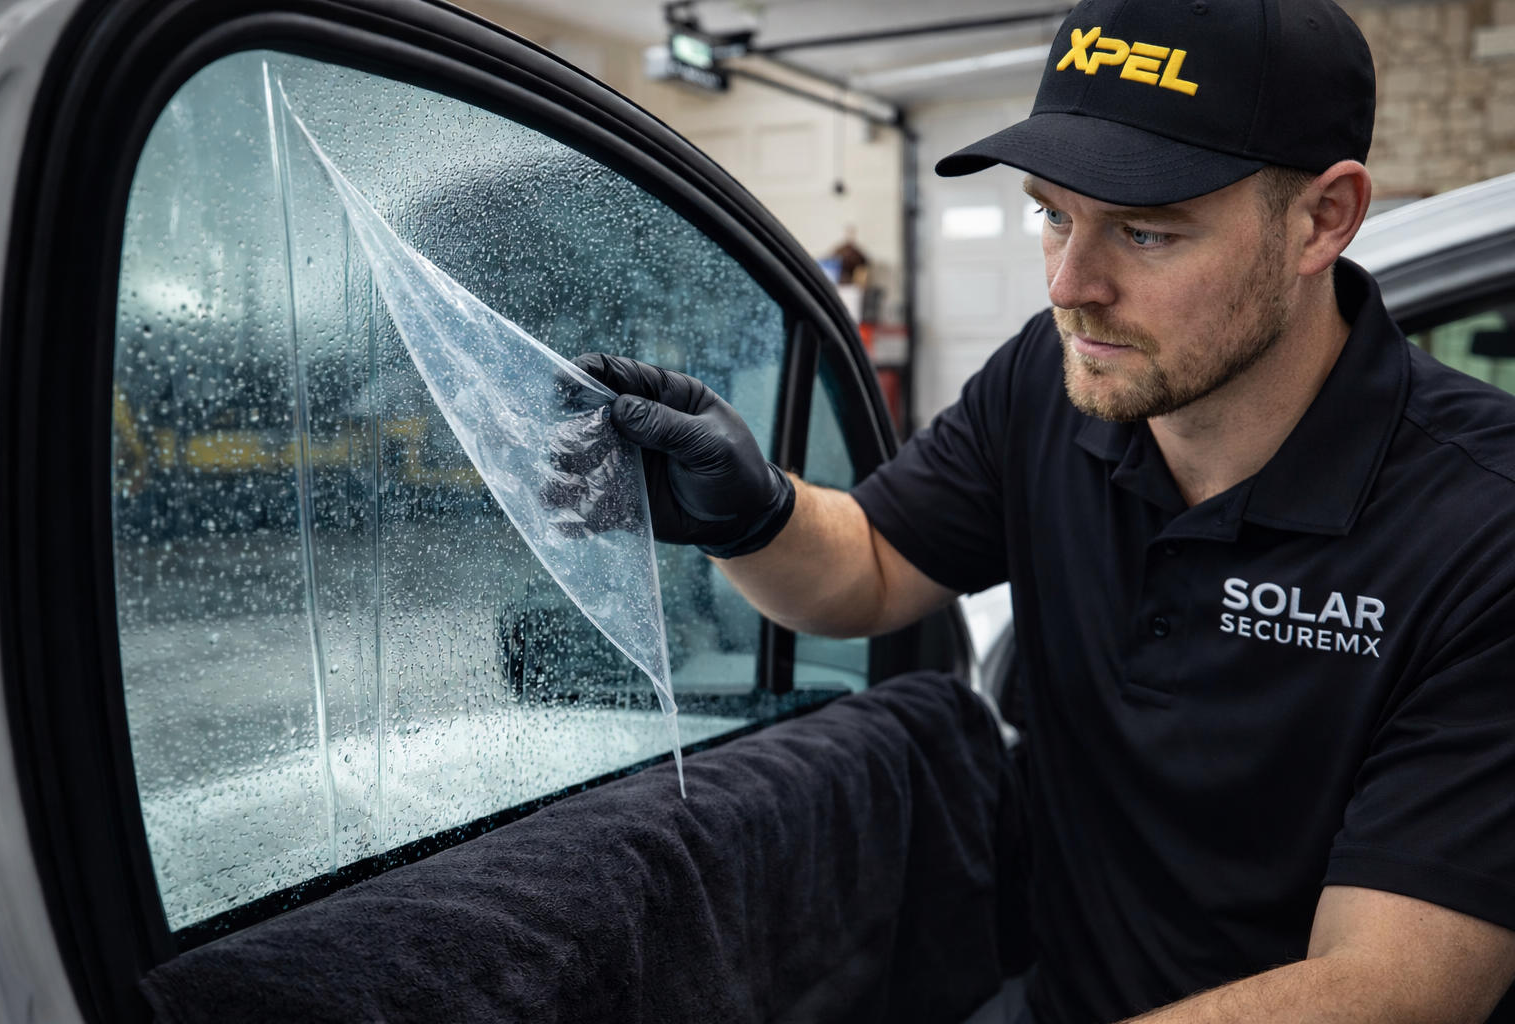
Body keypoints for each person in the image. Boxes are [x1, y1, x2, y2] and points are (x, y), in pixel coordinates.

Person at [575, 0, 1515, 1019]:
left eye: (1147, 231)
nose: (1072, 285)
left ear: (1322, 219)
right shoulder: (1048, 377)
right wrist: (747, 512)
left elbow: (1398, 985)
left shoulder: (1483, 524)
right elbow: (879, 564)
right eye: (1055, 214)